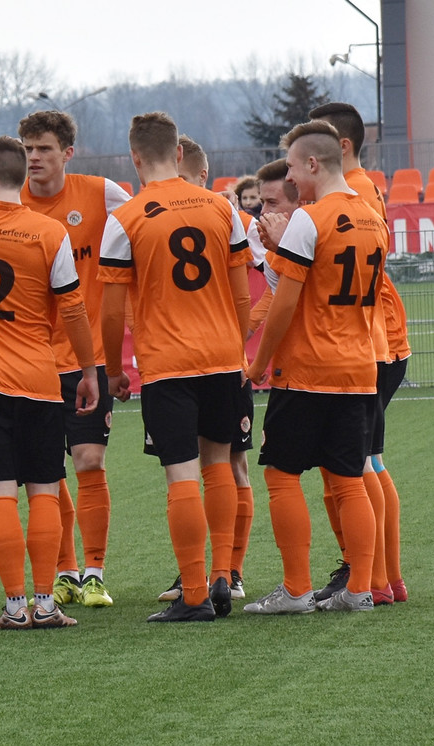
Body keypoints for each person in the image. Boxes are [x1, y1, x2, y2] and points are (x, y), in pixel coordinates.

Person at [99, 112, 253, 622]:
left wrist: (115, 369)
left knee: (181, 475)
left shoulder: (125, 219)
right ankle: (225, 576)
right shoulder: (221, 208)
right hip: (222, 358)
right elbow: (241, 296)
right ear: (181, 154)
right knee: (220, 466)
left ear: (135, 158)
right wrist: (235, 346)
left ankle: (192, 595)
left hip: (168, 364)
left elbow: (112, 308)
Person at [0, 135, 100, 630]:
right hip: (39, 378)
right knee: (42, 489)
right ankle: (47, 602)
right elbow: (74, 307)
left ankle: (15, 607)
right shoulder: (50, 232)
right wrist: (87, 368)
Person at [243, 119, 385, 614]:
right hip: (358, 367)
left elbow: (284, 302)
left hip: (307, 369)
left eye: (293, 171)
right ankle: (360, 588)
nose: (290, 183)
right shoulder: (373, 217)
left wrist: (259, 363)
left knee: (282, 474)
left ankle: (297, 590)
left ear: (312, 163)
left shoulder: (311, 218)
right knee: (348, 478)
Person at [17, 109, 131, 609]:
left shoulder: (102, 194)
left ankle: (94, 571)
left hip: (89, 360)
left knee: (88, 460)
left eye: (43, 148)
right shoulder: (3, 202)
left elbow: (147, 224)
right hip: (30, 362)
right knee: (45, 470)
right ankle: (63, 570)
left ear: (67, 152)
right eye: (27, 149)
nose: (34, 158)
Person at [308, 101, 410, 606]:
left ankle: (368, 575)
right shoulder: (362, 189)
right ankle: (380, 577)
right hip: (374, 339)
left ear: (339, 146)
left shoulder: (353, 193)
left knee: (354, 465)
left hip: (366, 341)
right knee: (364, 461)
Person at [154, 135, 264, 604]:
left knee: (228, 466)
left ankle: (230, 570)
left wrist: (245, 333)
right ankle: (202, 573)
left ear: (201, 176)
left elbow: (271, 276)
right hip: (211, 358)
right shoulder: (220, 217)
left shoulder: (233, 218)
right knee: (201, 465)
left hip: (199, 361)